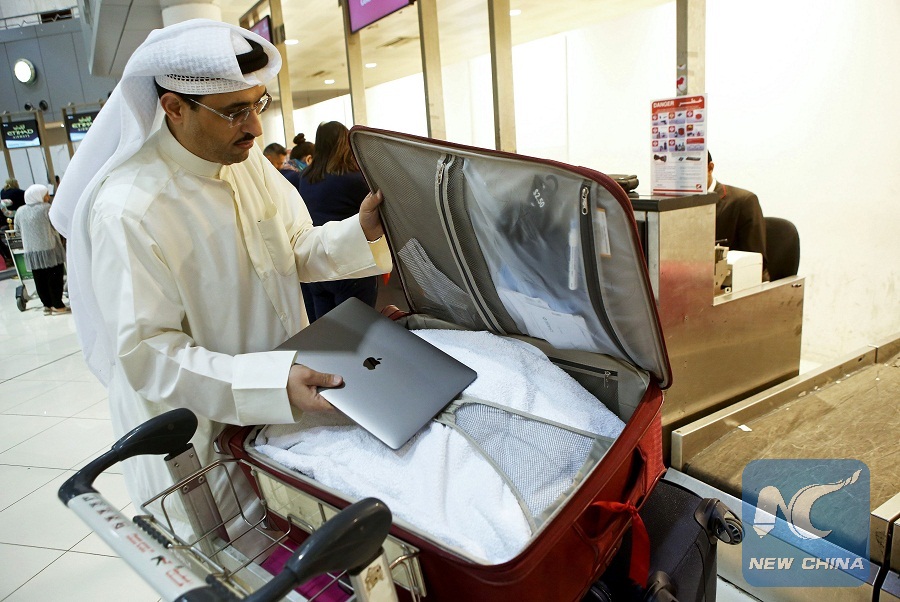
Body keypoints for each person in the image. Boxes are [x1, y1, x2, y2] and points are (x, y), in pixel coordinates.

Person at [49, 19, 391, 536]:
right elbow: (150, 354)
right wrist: (269, 382)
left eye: (258, 104)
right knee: (231, 557)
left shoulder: (245, 163)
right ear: (174, 107)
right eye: (233, 111)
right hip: (199, 447)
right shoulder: (128, 210)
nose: (255, 128)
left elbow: (294, 246)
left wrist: (359, 231)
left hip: (280, 413)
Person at [298, 121, 379, 322]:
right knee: (356, 329)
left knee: (327, 330)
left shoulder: (305, 177)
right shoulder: (355, 178)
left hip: (317, 264)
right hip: (351, 264)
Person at [707, 151, 769, 280]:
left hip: (734, 282)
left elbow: (755, 261)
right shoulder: (674, 204)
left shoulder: (743, 201)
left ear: (710, 168)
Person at [13, 184, 69, 314]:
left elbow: (17, 230)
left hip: (31, 252)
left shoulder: (20, 211)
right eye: (45, 195)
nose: (48, 197)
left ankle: (47, 305)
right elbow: (57, 225)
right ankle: (58, 305)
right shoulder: (46, 208)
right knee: (54, 278)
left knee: (39, 279)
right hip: (50, 250)